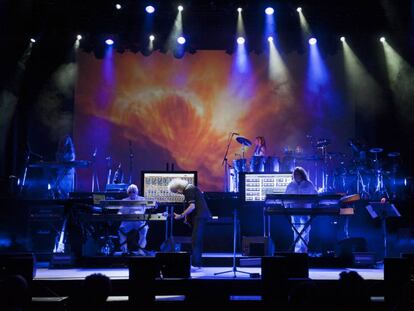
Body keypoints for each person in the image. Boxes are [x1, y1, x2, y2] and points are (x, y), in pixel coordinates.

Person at [167, 178, 212, 269]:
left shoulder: (188, 190)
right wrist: (186, 217)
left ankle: (196, 264)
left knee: (196, 240)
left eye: (176, 192)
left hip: (200, 217)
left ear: (178, 188)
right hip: (200, 216)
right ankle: (197, 263)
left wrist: (182, 215)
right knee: (196, 240)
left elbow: (192, 206)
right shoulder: (191, 188)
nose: (178, 194)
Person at [285, 167, 317, 253]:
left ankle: (304, 250)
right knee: (296, 229)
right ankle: (297, 251)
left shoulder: (308, 184)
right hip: (294, 211)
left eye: (297, 174)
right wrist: (286, 206)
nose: (295, 176)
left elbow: (315, 195)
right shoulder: (290, 185)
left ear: (301, 174)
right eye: (294, 174)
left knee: (305, 230)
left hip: (305, 210)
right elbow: (285, 197)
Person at [118, 184, 152, 255]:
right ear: (128, 192)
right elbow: (120, 211)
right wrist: (119, 214)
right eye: (130, 191)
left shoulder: (142, 199)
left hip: (139, 221)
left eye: (134, 191)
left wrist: (154, 204)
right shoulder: (124, 200)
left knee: (144, 229)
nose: (132, 193)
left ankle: (141, 250)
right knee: (121, 230)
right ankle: (124, 250)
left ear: (136, 192)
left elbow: (151, 205)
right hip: (128, 221)